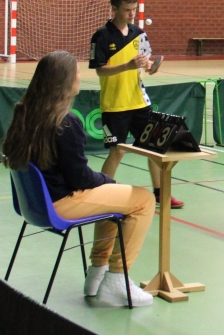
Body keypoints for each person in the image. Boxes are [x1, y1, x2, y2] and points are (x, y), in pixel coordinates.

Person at [1, 51, 155, 307]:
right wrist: (106, 179)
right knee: (144, 200)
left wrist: (106, 183)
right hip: (60, 204)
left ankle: (97, 274)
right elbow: (80, 178)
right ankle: (117, 277)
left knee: (114, 198)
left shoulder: (23, 113)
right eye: (76, 72)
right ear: (65, 80)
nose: (79, 77)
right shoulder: (66, 122)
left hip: (35, 205)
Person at [89, 0, 180, 209]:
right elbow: (100, 70)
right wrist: (127, 66)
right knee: (117, 151)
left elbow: (146, 64)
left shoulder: (139, 34)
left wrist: (152, 67)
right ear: (114, 9)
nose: (132, 14)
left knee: (153, 148)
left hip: (139, 102)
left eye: (134, 9)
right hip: (114, 105)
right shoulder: (101, 36)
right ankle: (101, 195)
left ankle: (161, 194)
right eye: (127, 10)